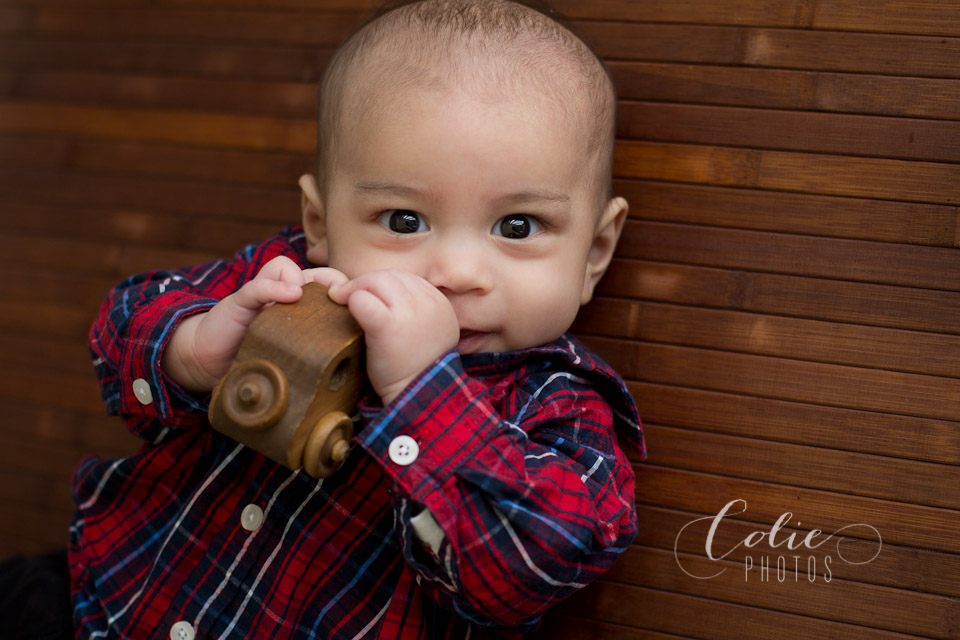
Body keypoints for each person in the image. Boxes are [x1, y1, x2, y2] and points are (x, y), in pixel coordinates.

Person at [72, 0, 646, 637]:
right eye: (404, 220)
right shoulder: (286, 281)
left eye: (517, 226)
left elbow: (531, 569)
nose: (455, 272)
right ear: (320, 224)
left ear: (594, 252)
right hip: (115, 598)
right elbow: (118, 326)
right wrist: (194, 348)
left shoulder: (559, 407)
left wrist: (423, 391)